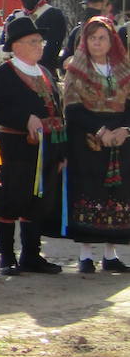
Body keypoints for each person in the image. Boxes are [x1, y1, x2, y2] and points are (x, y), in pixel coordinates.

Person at [0, 14, 67, 276]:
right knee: (10, 199)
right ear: (16, 45)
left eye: (40, 41)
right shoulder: (3, 75)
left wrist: (61, 150)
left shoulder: (45, 73)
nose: (40, 46)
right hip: (15, 148)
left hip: (46, 149)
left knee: (38, 201)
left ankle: (31, 254)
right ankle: (6, 256)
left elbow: (58, 112)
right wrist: (24, 119)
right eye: (33, 41)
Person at [57, 16, 130, 273]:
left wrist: (124, 130)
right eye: (92, 38)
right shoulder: (76, 70)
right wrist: (101, 131)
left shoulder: (125, 69)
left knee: (118, 193)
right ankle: (86, 255)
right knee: (89, 190)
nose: (97, 43)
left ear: (112, 41)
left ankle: (111, 254)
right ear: (84, 41)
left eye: (102, 38)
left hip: (121, 140)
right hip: (88, 140)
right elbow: (73, 109)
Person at [1, 0, 67, 76]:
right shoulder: (13, 19)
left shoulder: (54, 16)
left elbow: (49, 54)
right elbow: (4, 50)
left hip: (43, 77)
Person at [61, 0, 116, 66]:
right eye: (87, 5)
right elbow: (63, 62)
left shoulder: (120, 32)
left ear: (109, 6)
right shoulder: (77, 32)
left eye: (95, 5)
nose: (90, 9)